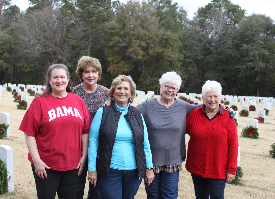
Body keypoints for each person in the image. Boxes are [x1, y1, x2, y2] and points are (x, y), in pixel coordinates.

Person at [19, 64, 91, 199]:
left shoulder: (77, 101)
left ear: (68, 79)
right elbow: (29, 133)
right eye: (55, 77)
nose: (59, 81)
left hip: (72, 164)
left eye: (62, 77)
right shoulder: (40, 102)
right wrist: (37, 161)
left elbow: (85, 131)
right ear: (49, 80)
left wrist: (83, 156)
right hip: (46, 166)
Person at [87, 75, 154, 199]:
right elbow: (93, 141)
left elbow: (145, 143)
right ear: (113, 92)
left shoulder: (137, 114)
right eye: (118, 88)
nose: (122, 91)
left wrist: (149, 167)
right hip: (109, 171)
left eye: (126, 89)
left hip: (133, 171)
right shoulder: (103, 112)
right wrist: (92, 169)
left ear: (131, 93)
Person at [138, 71, 200, 199]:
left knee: (170, 195)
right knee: (153, 195)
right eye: (167, 86)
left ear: (177, 90)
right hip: (152, 161)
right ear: (160, 86)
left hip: (173, 160)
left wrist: (225, 108)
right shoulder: (147, 106)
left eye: (173, 88)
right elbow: (130, 114)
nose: (170, 90)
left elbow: (204, 108)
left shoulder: (183, 106)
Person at [185, 80, 238, 199]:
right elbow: (179, 132)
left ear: (220, 98)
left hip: (218, 168)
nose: (212, 100)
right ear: (203, 97)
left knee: (217, 196)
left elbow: (233, 145)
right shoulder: (194, 114)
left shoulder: (228, 118)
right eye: (209, 96)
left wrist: (232, 169)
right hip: (197, 167)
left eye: (215, 96)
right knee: (200, 196)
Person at [72, 56, 109, 199]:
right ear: (81, 74)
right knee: (76, 186)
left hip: (99, 146)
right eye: (86, 72)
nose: (90, 75)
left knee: (97, 188)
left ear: (98, 73)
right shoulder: (73, 93)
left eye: (94, 71)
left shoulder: (106, 94)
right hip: (77, 145)